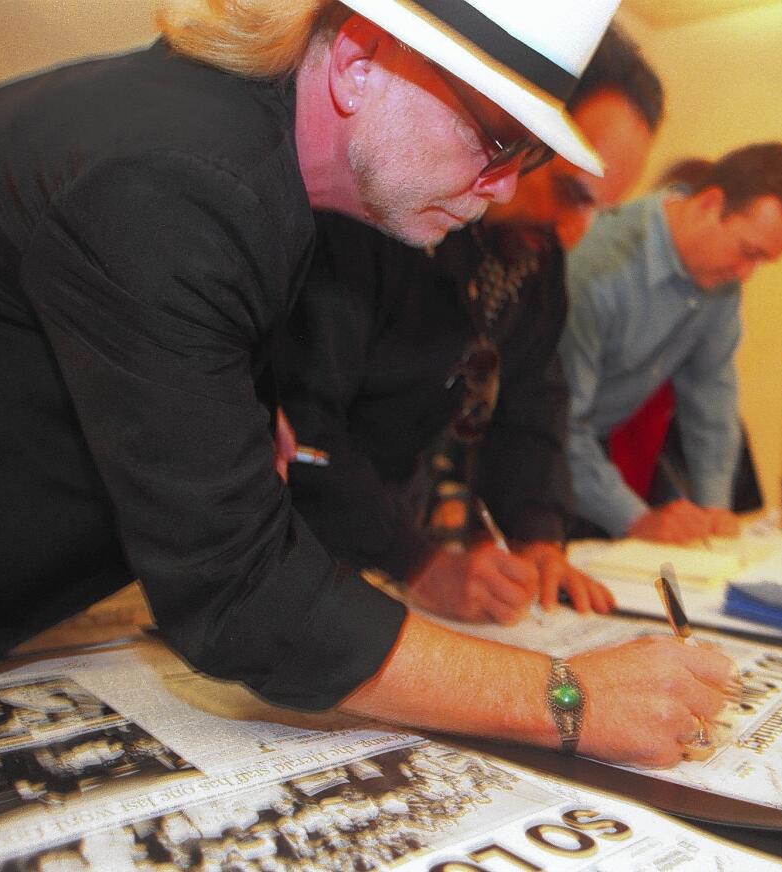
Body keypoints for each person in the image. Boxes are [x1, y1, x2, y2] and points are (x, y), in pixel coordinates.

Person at [0, 0, 734, 768]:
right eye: (496, 139)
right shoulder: (186, 179)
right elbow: (242, 596)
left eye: (530, 155)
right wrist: (569, 695)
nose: (507, 189)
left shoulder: (239, 158)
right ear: (360, 61)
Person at [276, 24, 663, 625]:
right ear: (515, 122)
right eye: (569, 192)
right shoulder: (385, 201)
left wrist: (538, 538)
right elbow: (304, 416)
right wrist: (416, 562)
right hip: (281, 543)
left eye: (599, 211)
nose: (574, 231)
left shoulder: (536, 253)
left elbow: (534, 406)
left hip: (379, 548)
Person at [560, 143, 782, 543]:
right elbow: (560, 421)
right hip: (527, 452)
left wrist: (714, 508)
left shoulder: (721, 283)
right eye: (749, 252)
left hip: (589, 458)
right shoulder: (600, 266)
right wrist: (637, 519)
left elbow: (712, 397)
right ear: (710, 204)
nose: (747, 274)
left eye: (762, 261)